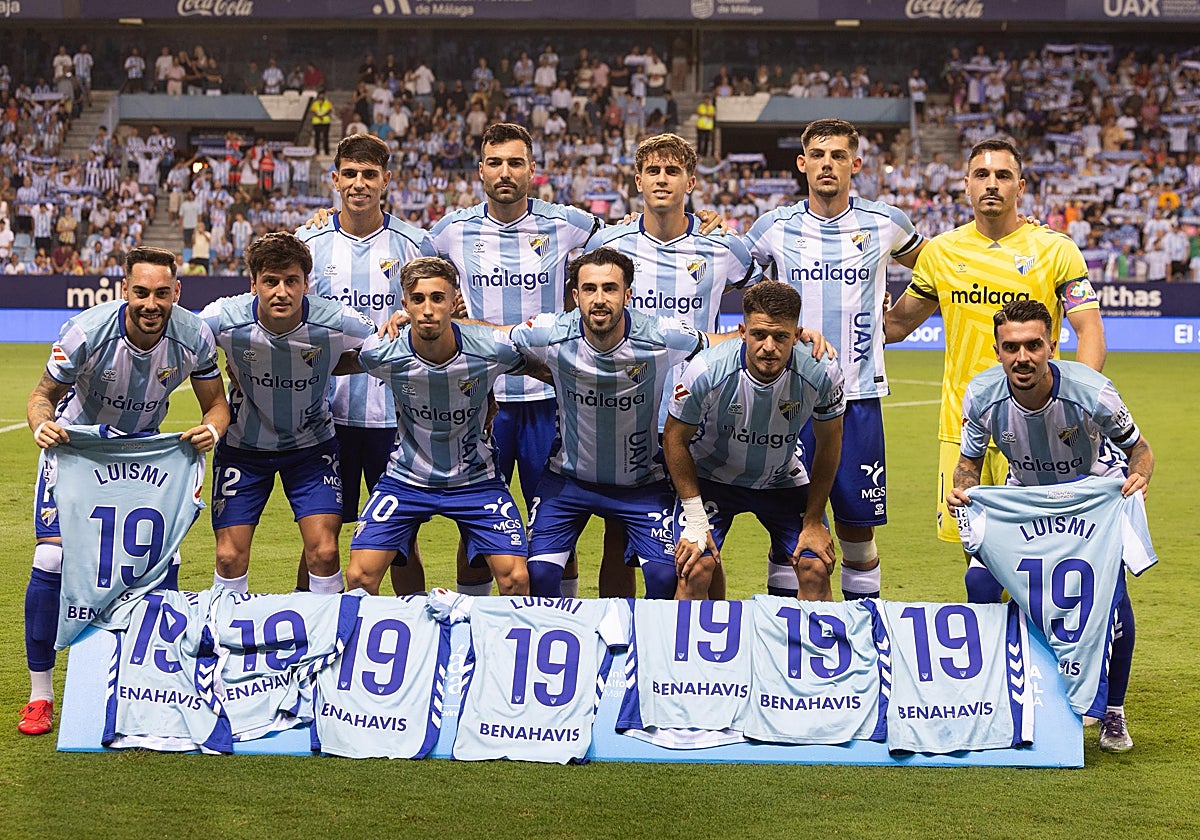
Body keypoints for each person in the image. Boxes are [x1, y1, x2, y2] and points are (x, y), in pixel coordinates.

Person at [20, 246, 229, 736]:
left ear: (177, 293)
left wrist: (212, 431)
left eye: (162, 293)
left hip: (141, 459)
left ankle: (157, 687)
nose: (151, 303)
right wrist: (41, 426)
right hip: (77, 452)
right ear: (124, 292)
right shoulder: (85, 332)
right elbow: (40, 396)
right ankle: (41, 695)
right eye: (141, 292)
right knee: (51, 560)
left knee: (158, 565)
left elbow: (216, 405)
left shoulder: (194, 334)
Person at [947, 299, 1153, 752]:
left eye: (1034, 345)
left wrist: (1138, 477)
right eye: (1012, 347)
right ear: (998, 351)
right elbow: (969, 463)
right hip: (1025, 502)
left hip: (1091, 502)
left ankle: (1113, 711)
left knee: (1111, 603)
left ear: (1052, 345)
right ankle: (994, 695)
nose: (1023, 357)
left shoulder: (1092, 391)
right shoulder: (982, 395)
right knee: (979, 583)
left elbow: (1140, 450)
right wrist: (963, 490)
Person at [884, 137, 1106, 551]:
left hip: (1037, 426)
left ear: (1020, 188)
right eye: (981, 175)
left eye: (1003, 175)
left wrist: (1079, 401)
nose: (991, 184)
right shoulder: (942, 253)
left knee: (1039, 546)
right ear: (966, 185)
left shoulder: (1055, 250)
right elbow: (894, 327)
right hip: (962, 424)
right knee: (976, 552)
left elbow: (1089, 329)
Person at [744, 118, 924, 601]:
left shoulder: (886, 222)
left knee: (857, 533)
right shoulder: (774, 228)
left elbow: (940, 267)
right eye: (818, 155)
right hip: (786, 399)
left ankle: (865, 641)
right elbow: (734, 273)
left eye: (839, 156)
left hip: (858, 398)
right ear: (802, 163)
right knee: (787, 533)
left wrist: (900, 322)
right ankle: (786, 639)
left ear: (855, 164)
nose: (828, 164)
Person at [426, 123, 603, 597]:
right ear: (480, 170)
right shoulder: (450, 232)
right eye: (496, 163)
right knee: (477, 524)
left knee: (556, 523)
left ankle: (559, 626)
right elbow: (412, 265)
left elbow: (634, 234)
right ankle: (474, 627)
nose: (506, 172)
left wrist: (701, 217)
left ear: (532, 170)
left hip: (551, 395)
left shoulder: (570, 224)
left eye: (516, 162)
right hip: (481, 399)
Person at [504, 248, 734, 600]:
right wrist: (437, 324)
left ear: (627, 295)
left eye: (610, 289)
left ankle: (648, 652)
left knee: (665, 577)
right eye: (590, 289)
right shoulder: (549, 332)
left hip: (641, 484)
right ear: (575, 294)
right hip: (568, 481)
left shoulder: (660, 336)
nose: (599, 299)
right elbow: (490, 340)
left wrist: (792, 337)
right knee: (538, 573)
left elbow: (720, 344)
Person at [589, 132, 760, 597]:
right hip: (626, 409)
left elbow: (761, 302)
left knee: (701, 537)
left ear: (691, 180)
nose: (662, 179)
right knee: (617, 534)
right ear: (637, 180)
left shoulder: (723, 246)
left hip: (697, 414)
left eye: (673, 171)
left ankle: (711, 627)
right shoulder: (610, 243)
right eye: (653, 171)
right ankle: (622, 638)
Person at [198, 232, 375, 596]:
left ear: (306, 284)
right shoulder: (223, 318)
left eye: (291, 281)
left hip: (311, 449)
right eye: (271, 282)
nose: (281, 292)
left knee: (325, 552)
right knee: (229, 556)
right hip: (244, 449)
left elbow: (384, 350)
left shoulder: (338, 321)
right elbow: (180, 344)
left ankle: (326, 643)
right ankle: (227, 640)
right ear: (253, 284)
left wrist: (324, 366)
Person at [343, 257, 530, 596]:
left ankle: (497, 646)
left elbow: (542, 367)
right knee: (359, 576)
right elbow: (332, 363)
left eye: (437, 298)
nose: (428, 309)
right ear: (404, 305)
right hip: (406, 480)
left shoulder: (492, 349)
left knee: (516, 578)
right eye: (418, 299)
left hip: (476, 481)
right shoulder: (381, 353)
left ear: (454, 300)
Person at [296, 133, 432, 594]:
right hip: (324, 417)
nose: (359, 183)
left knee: (399, 539)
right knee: (319, 539)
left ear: (386, 181)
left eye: (369, 174)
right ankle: (307, 632)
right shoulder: (308, 243)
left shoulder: (415, 243)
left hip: (394, 416)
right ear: (335, 179)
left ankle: (418, 633)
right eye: (350, 174)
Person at [664, 282, 845, 600]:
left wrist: (814, 520)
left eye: (781, 337)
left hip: (782, 482)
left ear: (797, 334)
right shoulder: (706, 370)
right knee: (695, 565)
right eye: (759, 334)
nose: (769, 346)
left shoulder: (822, 372)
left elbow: (830, 444)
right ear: (742, 331)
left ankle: (811, 650)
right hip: (712, 479)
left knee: (816, 567)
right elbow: (675, 439)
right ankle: (685, 650)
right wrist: (694, 517)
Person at [310, 89, 333, 156]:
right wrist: (319, 116)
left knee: (325, 137)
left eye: (323, 94)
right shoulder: (315, 103)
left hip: (325, 121)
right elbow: (313, 111)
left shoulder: (327, 103)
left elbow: (329, 110)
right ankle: (317, 151)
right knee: (317, 137)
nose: (321, 96)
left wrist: (322, 115)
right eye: (320, 94)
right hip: (317, 122)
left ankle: (327, 151)